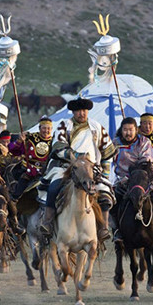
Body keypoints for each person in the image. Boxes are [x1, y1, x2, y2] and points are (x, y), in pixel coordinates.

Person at [40, 98, 117, 242]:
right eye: (78, 111)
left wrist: (105, 174)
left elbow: (107, 152)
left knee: (105, 196)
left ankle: (103, 228)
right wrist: (74, 157)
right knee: (53, 189)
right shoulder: (65, 126)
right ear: (74, 112)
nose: (82, 114)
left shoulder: (96, 127)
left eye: (84, 111)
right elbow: (58, 147)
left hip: (92, 170)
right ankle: (48, 222)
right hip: (67, 168)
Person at [111, 117, 153, 241]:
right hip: (124, 179)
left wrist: (137, 174)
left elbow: (145, 161)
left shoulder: (144, 142)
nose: (128, 133)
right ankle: (117, 230)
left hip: (145, 177)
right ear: (121, 130)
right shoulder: (115, 143)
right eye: (125, 130)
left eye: (131, 130)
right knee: (112, 201)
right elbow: (106, 157)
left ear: (136, 130)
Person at [8, 116, 53, 200]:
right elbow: (13, 150)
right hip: (28, 171)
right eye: (44, 128)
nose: (46, 131)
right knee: (17, 195)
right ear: (39, 128)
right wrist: (20, 140)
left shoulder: (53, 141)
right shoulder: (29, 138)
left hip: (45, 173)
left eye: (48, 128)